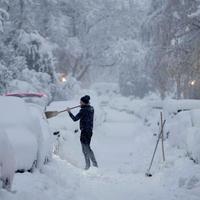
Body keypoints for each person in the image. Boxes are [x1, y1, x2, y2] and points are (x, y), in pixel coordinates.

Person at [66, 95, 98, 170]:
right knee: (87, 148)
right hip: (89, 131)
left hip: (84, 132)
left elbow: (75, 119)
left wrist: (69, 112)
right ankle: (93, 164)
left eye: (80, 102)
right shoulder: (91, 109)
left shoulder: (83, 110)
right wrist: (83, 106)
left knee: (85, 149)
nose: (79, 104)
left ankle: (89, 165)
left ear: (84, 102)